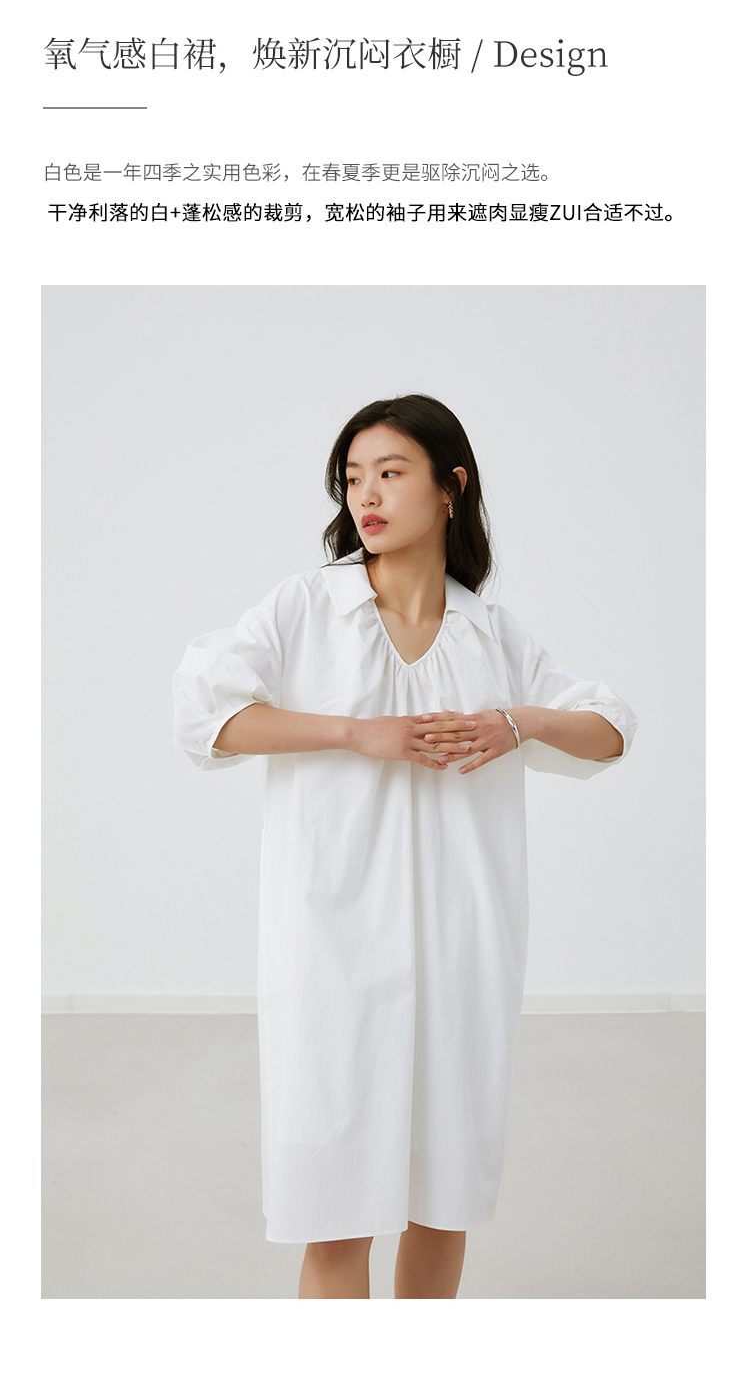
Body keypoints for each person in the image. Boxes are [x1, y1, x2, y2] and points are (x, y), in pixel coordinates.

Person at [173, 393, 637, 1299]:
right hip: (332, 955)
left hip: (463, 954)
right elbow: (204, 715)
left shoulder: (491, 633)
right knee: (335, 1213)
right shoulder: (308, 607)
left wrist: (518, 722)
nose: (367, 496)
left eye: (390, 473)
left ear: (450, 486)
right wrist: (355, 733)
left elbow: (610, 729)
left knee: (442, 1203)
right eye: (353, 478)